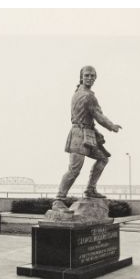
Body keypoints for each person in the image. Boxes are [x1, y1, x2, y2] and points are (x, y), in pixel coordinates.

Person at [54, 65, 122, 208]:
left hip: (87, 135)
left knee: (103, 159)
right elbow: (99, 116)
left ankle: (90, 189)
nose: (90, 78)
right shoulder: (88, 96)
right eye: (87, 75)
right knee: (74, 169)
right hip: (79, 135)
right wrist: (112, 126)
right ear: (81, 77)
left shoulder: (78, 92)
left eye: (92, 76)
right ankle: (59, 200)